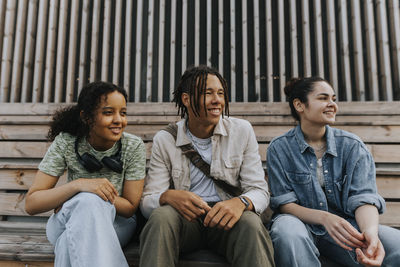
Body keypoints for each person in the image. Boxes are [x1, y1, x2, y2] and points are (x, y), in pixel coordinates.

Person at [139, 65, 275, 267]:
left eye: (220, 93)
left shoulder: (241, 130)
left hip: (228, 219)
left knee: (250, 223)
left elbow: (259, 190)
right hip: (186, 221)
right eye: (207, 93)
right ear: (186, 99)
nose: (217, 100)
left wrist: (241, 203)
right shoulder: (165, 139)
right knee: (161, 216)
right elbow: (147, 202)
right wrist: (166, 196)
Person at [267, 77, 400, 267]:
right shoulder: (279, 148)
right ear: (299, 105)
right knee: (286, 231)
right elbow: (285, 204)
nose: (332, 105)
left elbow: (363, 197)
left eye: (333, 99)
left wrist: (370, 232)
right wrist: (325, 218)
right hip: (300, 225)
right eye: (323, 98)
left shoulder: (352, 146)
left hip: (348, 228)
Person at [25, 81, 146, 267]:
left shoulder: (133, 146)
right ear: (87, 117)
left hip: (116, 223)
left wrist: (95, 194)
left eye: (123, 113)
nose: (118, 120)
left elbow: (130, 207)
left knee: (68, 242)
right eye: (108, 112)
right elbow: (32, 203)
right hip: (65, 221)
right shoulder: (66, 142)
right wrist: (79, 185)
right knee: (86, 201)